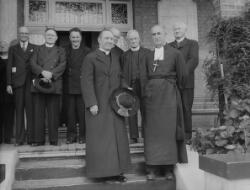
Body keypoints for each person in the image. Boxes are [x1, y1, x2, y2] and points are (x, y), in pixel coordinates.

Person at [81, 29, 130, 182]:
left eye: (112, 39)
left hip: (115, 105)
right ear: (99, 41)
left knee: (117, 139)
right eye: (107, 38)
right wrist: (91, 103)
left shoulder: (116, 57)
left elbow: (120, 77)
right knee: (101, 140)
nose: (110, 41)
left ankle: (117, 172)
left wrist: (126, 88)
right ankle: (101, 173)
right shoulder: (90, 57)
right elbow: (86, 82)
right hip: (99, 105)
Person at [144, 25, 188, 180]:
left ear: (165, 34)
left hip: (169, 97)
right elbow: (144, 76)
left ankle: (169, 167)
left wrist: (172, 89)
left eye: (159, 33)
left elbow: (183, 76)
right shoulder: (148, 55)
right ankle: (152, 168)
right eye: (153, 34)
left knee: (168, 132)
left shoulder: (175, 53)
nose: (156, 36)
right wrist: (147, 93)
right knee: (153, 133)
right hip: (152, 100)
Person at [30, 28, 66, 146]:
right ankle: (39, 140)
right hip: (39, 84)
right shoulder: (37, 49)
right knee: (38, 114)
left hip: (54, 85)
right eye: (48, 35)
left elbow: (63, 64)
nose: (50, 37)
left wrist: (51, 74)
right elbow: (32, 63)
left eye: (52, 35)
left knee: (53, 114)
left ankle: (54, 139)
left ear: (56, 38)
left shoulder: (61, 50)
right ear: (44, 36)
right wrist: (42, 73)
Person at [6, 26, 36, 145]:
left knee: (30, 112)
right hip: (17, 84)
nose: (23, 35)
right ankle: (19, 139)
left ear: (29, 35)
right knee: (18, 112)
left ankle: (31, 139)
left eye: (26, 33)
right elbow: (9, 65)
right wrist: (8, 83)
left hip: (30, 84)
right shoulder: (13, 48)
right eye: (21, 33)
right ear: (19, 35)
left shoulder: (35, 48)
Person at [170, 22, 199, 140]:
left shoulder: (192, 44)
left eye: (179, 29)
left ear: (184, 30)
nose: (177, 30)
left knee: (186, 109)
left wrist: (181, 74)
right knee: (174, 108)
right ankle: (176, 134)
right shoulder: (169, 46)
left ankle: (187, 135)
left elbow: (193, 61)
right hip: (173, 84)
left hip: (187, 83)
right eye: (175, 29)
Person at [121, 29, 150, 143]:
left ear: (139, 39)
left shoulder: (148, 53)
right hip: (130, 86)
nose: (133, 41)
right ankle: (133, 136)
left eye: (135, 38)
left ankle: (146, 134)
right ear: (128, 41)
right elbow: (121, 73)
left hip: (144, 86)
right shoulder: (124, 56)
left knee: (145, 111)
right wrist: (124, 85)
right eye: (130, 39)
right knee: (131, 111)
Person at [63, 27, 90, 144]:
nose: (75, 39)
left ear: (81, 38)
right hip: (68, 86)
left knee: (82, 113)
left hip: (82, 86)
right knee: (70, 113)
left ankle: (83, 136)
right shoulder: (63, 50)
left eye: (77, 37)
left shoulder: (87, 51)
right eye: (73, 37)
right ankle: (71, 136)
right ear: (69, 38)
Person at [0, 41, 14, 144]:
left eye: (4, 45)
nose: (2, 46)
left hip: (10, 91)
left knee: (9, 116)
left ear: (9, 47)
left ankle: (7, 138)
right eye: (0, 45)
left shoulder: (12, 59)